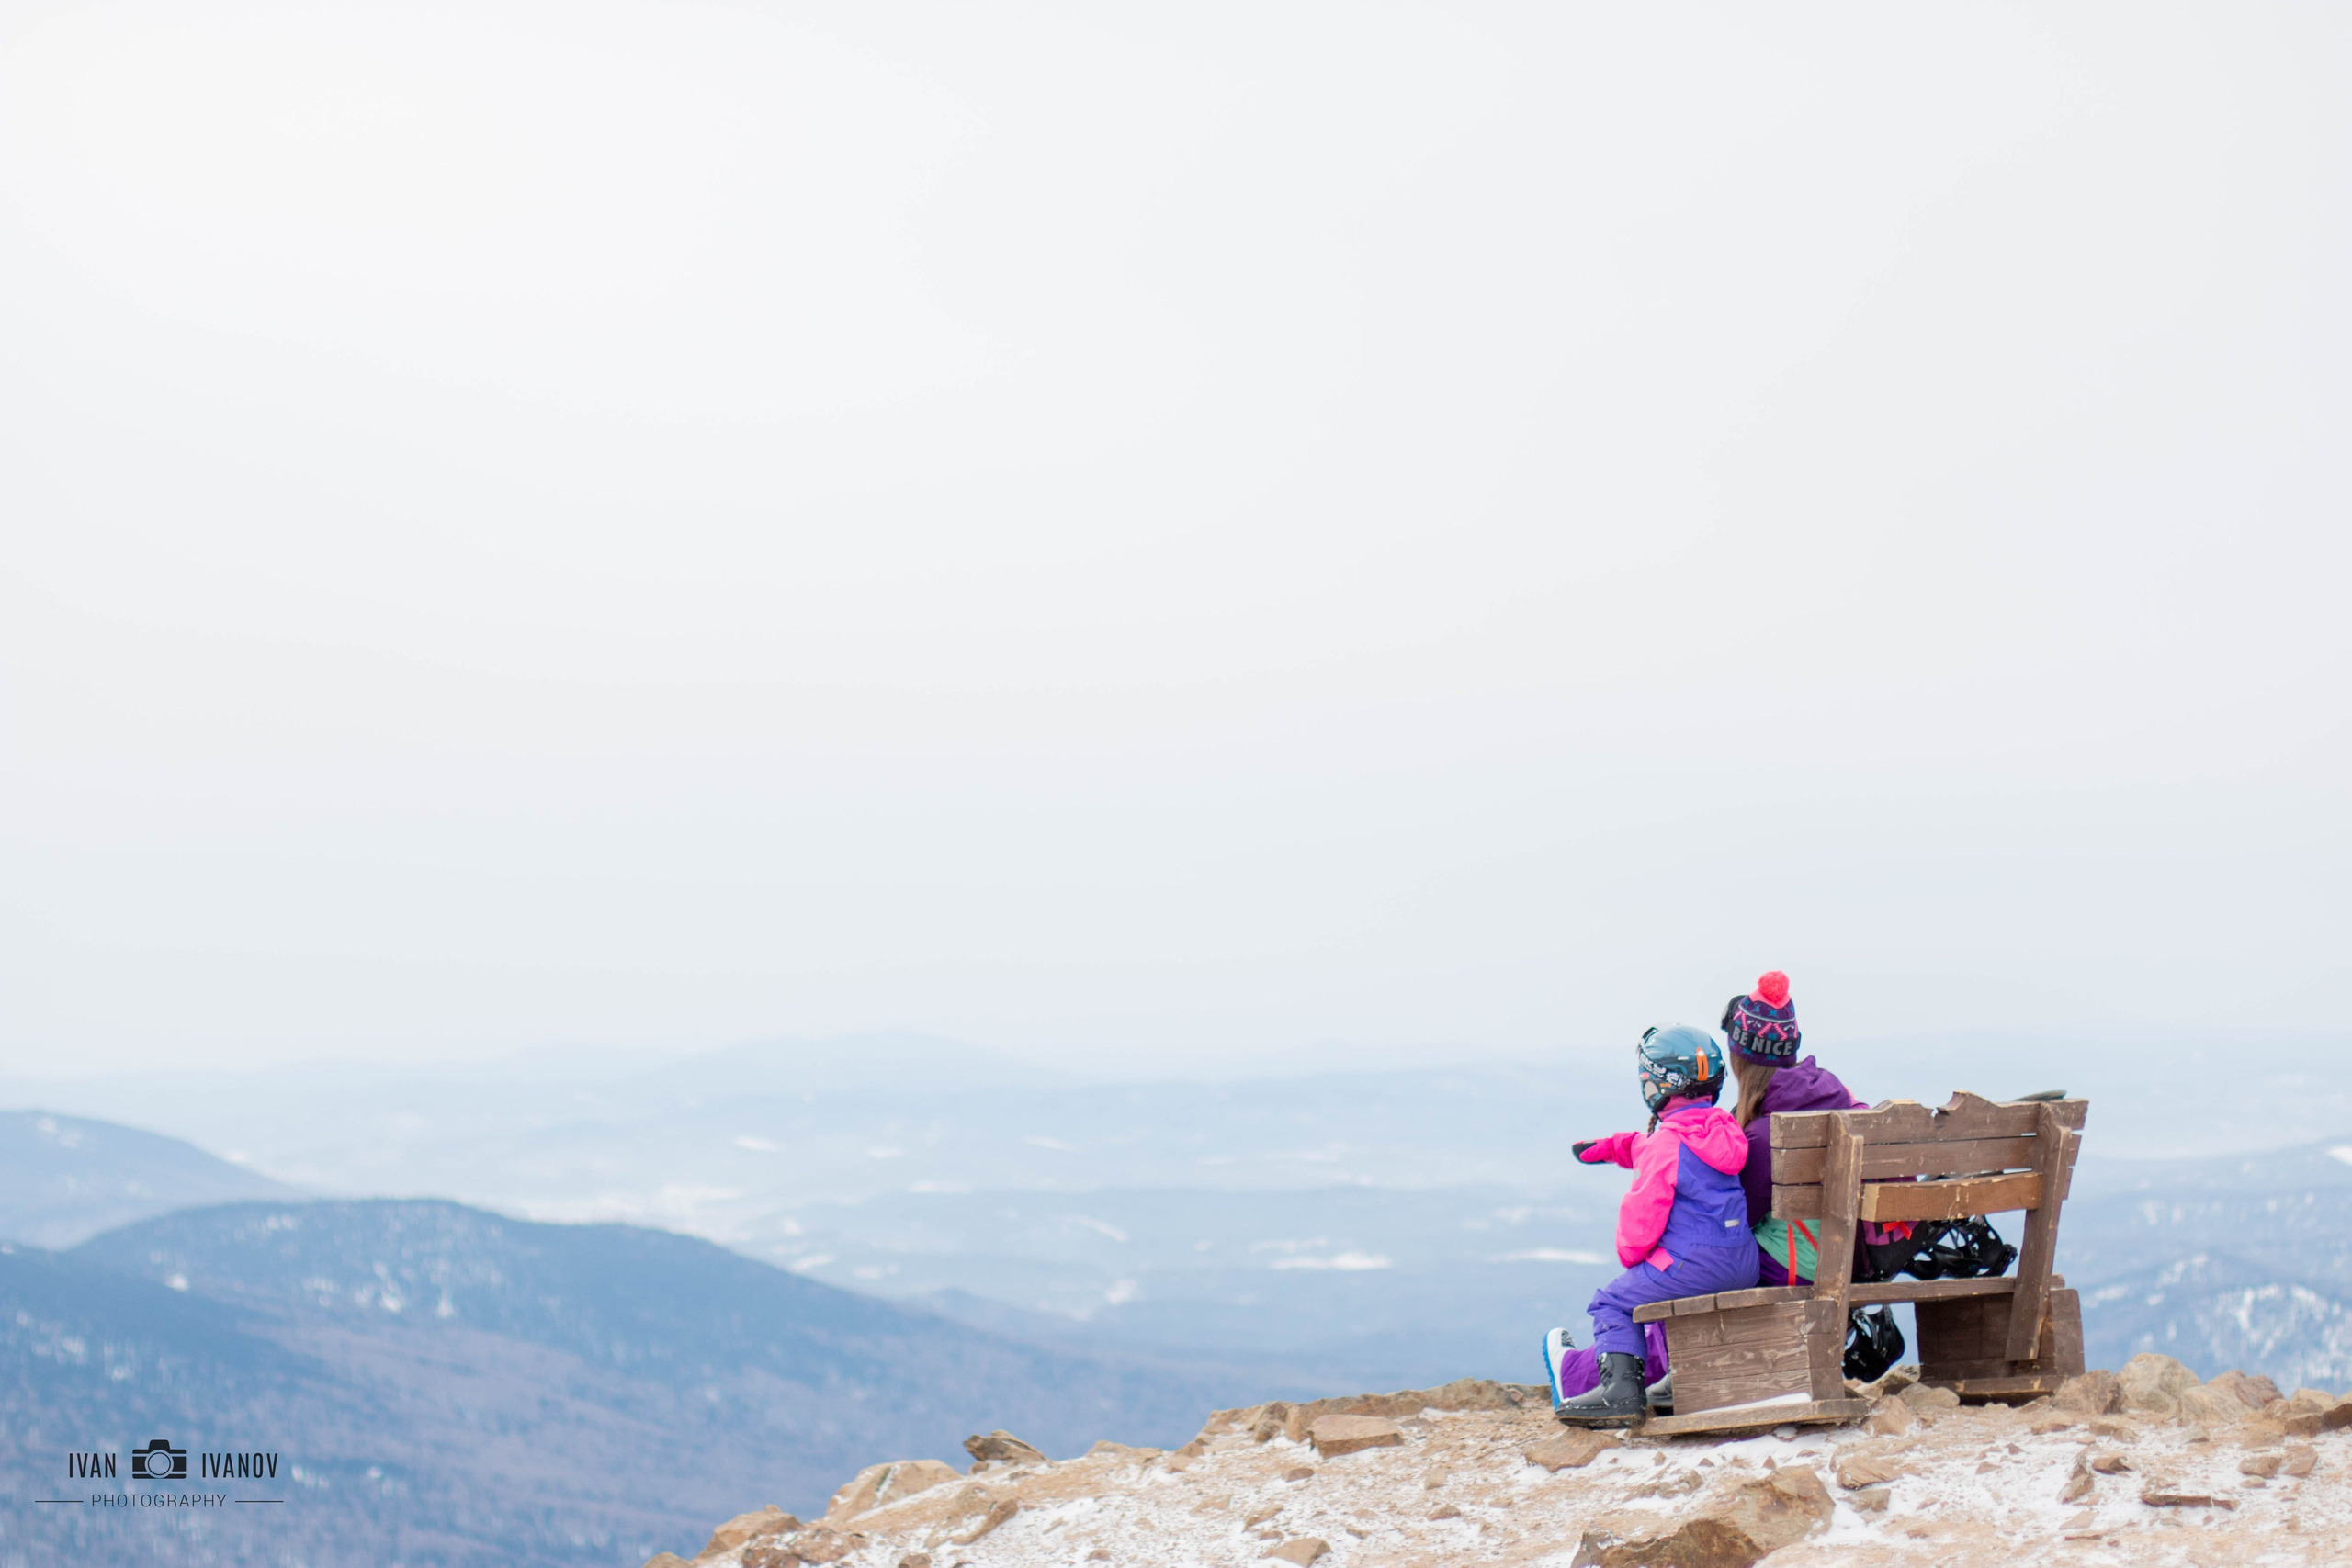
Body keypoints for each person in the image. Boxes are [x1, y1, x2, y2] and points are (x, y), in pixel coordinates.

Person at [1546, 1023, 1758, 1427]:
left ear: (1661, 1083)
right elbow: (1684, 1147)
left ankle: (1620, 1395)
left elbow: (1640, 1227)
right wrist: (1618, 1147)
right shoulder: (1725, 1131)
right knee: (1665, 1286)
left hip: (1692, 1264)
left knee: (1612, 1302)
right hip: (1743, 1263)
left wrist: (1635, 1258)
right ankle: (1677, 1381)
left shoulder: (1666, 1144)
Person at [1722, 970, 1871, 1287]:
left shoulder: (1766, 1137)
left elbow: (1739, 1220)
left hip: (1794, 1269)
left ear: (1740, 1059)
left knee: (1695, 1268)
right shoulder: (1836, 1095)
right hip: (1846, 1260)